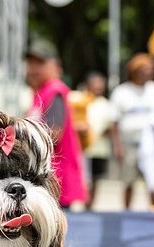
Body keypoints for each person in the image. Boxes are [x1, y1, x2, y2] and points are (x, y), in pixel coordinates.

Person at [24, 40, 88, 210]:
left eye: (40, 63)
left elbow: (53, 133)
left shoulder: (55, 90)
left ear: (56, 66)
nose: (34, 68)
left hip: (56, 179)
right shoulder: (41, 92)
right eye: (30, 63)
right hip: (48, 177)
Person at [109, 53, 154, 210]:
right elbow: (114, 122)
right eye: (143, 69)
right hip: (129, 143)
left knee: (153, 180)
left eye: (150, 69)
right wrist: (117, 146)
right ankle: (127, 210)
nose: (147, 72)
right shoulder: (121, 92)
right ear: (134, 70)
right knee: (128, 180)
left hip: (153, 145)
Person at [73, 72, 116, 210]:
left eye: (101, 84)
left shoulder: (106, 104)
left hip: (99, 148)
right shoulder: (77, 99)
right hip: (81, 147)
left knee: (96, 178)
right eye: (96, 83)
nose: (99, 86)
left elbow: (111, 125)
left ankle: (90, 205)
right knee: (83, 177)